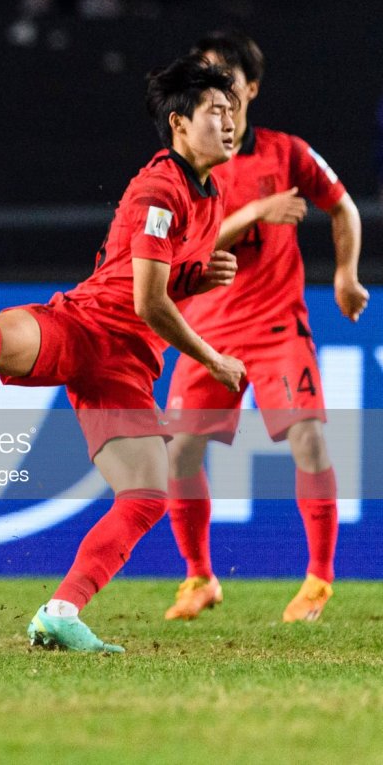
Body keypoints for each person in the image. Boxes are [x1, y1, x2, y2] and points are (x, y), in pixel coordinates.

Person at [0, 55, 243, 653]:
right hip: (85, 328)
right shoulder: (160, 187)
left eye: (233, 110)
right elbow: (148, 300)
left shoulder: (208, 193)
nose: (231, 122)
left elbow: (152, 277)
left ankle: (61, 611)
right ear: (180, 124)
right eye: (216, 111)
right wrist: (212, 356)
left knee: (146, 495)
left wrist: (191, 275)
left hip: (125, 365)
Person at [161, 32, 367, 624]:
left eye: (225, 78)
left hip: (277, 326)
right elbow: (183, 247)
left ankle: (319, 582)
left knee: (308, 439)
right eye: (205, 79)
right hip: (206, 330)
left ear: (250, 88)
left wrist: (346, 276)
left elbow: (345, 208)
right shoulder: (188, 167)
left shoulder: (286, 153)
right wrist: (251, 213)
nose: (217, 92)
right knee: (180, 453)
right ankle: (199, 578)